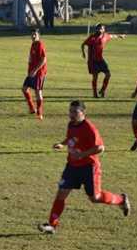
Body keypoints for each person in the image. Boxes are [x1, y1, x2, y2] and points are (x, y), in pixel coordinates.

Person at [39, 100, 130, 234]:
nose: (71, 114)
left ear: (83, 113)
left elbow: (100, 148)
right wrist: (62, 144)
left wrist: (82, 155)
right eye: (70, 111)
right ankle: (52, 225)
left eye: (75, 112)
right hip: (72, 166)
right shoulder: (71, 124)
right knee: (61, 194)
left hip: (89, 168)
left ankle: (121, 200)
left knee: (95, 198)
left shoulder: (89, 128)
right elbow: (71, 138)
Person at [81, 23, 125, 98]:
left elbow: (112, 36)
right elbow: (83, 44)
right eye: (98, 28)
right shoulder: (92, 37)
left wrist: (120, 36)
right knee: (95, 77)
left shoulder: (105, 36)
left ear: (104, 30)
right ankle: (95, 93)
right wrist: (84, 53)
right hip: (93, 61)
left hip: (101, 60)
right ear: (96, 29)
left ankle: (103, 90)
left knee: (108, 74)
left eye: (101, 28)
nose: (100, 30)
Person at [22, 28, 47, 120]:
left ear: (38, 35)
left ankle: (39, 113)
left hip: (39, 73)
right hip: (31, 72)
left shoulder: (40, 44)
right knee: (24, 88)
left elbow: (43, 59)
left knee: (37, 92)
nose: (33, 36)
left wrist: (35, 70)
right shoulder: (33, 44)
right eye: (32, 34)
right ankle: (32, 108)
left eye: (35, 35)